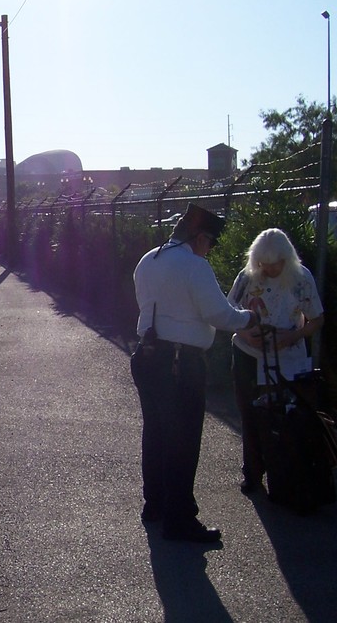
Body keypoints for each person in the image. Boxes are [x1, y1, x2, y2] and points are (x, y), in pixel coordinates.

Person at [131, 203, 259, 543]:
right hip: (179, 362)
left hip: (146, 354)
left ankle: (155, 504)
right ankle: (180, 519)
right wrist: (250, 318)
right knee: (183, 441)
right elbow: (220, 315)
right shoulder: (194, 265)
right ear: (200, 237)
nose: (211, 249)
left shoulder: (148, 260)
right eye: (211, 242)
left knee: (156, 434)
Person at [227, 228, 325, 494]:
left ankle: (283, 471)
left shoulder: (301, 279)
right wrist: (246, 332)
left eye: (275, 265)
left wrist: (293, 335)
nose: (269, 270)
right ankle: (253, 473)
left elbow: (317, 318)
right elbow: (228, 310)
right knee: (250, 414)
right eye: (264, 265)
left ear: (286, 260)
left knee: (281, 415)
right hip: (248, 353)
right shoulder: (247, 278)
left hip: (285, 357)